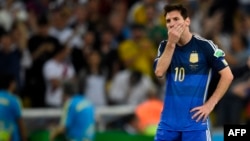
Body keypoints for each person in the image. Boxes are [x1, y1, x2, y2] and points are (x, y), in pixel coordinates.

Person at [153, 3, 234, 141]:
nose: (172, 24)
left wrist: (210, 104)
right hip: (168, 124)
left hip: (195, 124)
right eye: (168, 21)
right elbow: (159, 72)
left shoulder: (204, 46)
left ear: (187, 21)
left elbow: (228, 75)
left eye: (176, 19)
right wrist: (171, 44)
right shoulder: (165, 46)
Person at [0, 72, 27, 141]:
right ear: (11, 84)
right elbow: (20, 122)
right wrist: (24, 138)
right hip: (11, 136)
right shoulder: (14, 100)